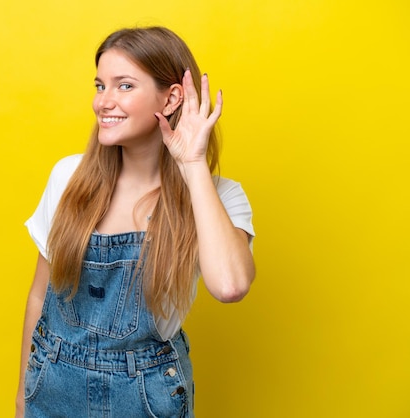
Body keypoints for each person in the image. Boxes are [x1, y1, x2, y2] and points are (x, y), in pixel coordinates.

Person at [16, 26, 255, 417]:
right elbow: (39, 297)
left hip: (145, 397)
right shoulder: (68, 178)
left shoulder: (218, 197)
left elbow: (230, 286)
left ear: (172, 96)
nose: (103, 102)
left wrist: (192, 165)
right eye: (99, 86)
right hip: (52, 385)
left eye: (124, 86)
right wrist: (23, 399)